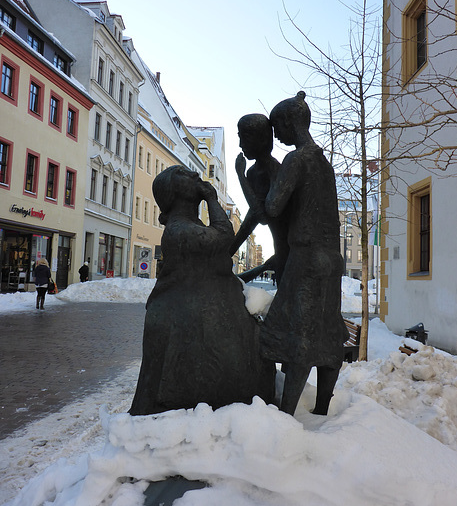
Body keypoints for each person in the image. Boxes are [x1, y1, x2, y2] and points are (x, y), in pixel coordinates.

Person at [130, 165, 275, 416]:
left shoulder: (191, 224)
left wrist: (257, 269)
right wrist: (211, 197)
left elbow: (218, 267)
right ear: (173, 191)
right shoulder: (179, 229)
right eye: (185, 175)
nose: (195, 175)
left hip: (203, 313)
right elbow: (223, 237)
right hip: (188, 319)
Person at [260, 91, 349, 416]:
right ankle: (322, 407)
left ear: (287, 122)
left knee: (298, 333)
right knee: (326, 331)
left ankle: (285, 414)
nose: (276, 135)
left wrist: (263, 182)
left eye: (277, 127)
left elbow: (273, 205)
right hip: (332, 259)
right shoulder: (324, 163)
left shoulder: (297, 160)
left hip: (306, 257)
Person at [229, 113, 289, 285]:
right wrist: (228, 251)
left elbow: (262, 216)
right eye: (240, 138)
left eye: (245, 138)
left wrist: (240, 177)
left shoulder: (274, 170)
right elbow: (251, 218)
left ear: (262, 139)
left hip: (289, 247)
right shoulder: (253, 172)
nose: (241, 145)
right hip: (281, 248)